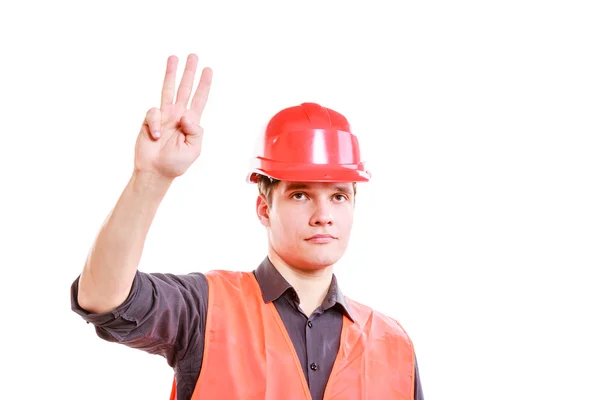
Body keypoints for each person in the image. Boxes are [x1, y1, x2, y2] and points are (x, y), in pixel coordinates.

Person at [71, 53, 425, 400]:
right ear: (264, 208)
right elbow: (103, 298)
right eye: (300, 195)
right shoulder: (205, 309)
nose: (323, 215)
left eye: (338, 197)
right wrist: (150, 179)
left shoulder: (393, 344)